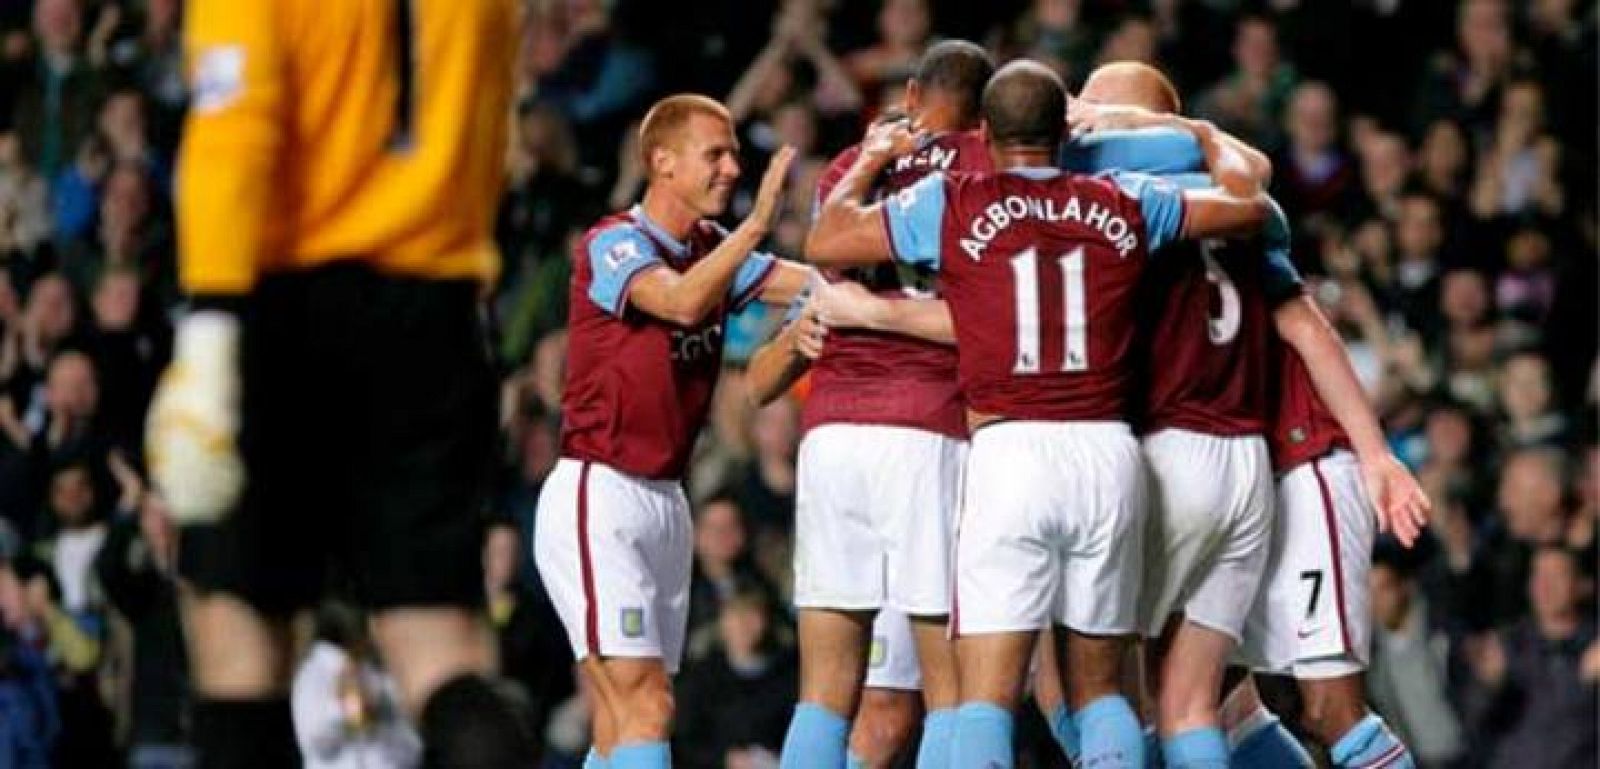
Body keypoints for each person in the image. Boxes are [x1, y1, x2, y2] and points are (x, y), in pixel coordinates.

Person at [808, 59, 1271, 769]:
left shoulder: (955, 199)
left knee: (983, 697)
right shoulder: (1123, 198)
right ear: (1065, 131)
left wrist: (870, 158)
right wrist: (1202, 133)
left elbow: (830, 237)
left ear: (985, 132)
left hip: (1009, 454)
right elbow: (1250, 204)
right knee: (1100, 693)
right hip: (1106, 455)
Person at [142, 2, 532, 767]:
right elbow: (492, 130)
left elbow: (236, 123)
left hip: (280, 304)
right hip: (435, 309)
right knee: (441, 648)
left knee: (241, 647)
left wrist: (210, 323)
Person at [1055, 61, 1429, 769]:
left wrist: (1375, 455)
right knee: (1222, 704)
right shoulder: (1237, 200)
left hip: (1302, 460)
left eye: (1093, 108)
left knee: (1328, 708)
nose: (1081, 119)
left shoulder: (1118, 203)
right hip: (1246, 466)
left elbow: (1308, 327)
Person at [532, 93, 812, 769]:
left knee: (621, 719)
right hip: (599, 493)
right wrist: (759, 225)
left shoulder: (711, 248)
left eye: (736, 153)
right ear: (661, 161)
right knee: (646, 702)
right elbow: (683, 302)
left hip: (666, 499)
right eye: (715, 153)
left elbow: (813, 283)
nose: (732, 167)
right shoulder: (613, 243)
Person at [746, 40, 995, 769]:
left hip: (832, 433)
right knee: (950, 690)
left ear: (912, 96)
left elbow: (822, 266)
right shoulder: (984, 172)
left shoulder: (847, 170)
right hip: (926, 428)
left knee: (824, 692)